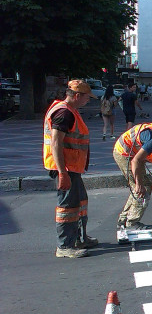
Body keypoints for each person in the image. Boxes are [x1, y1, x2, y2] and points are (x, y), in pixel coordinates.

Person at [43, 79, 98, 258]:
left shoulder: (70, 111)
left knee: (80, 203)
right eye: (86, 98)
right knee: (67, 207)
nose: (88, 101)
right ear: (77, 96)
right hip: (66, 167)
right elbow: (56, 143)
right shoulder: (63, 113)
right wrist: (62, 172)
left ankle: (79, 238)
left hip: (72, 167)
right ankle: (65, 246)